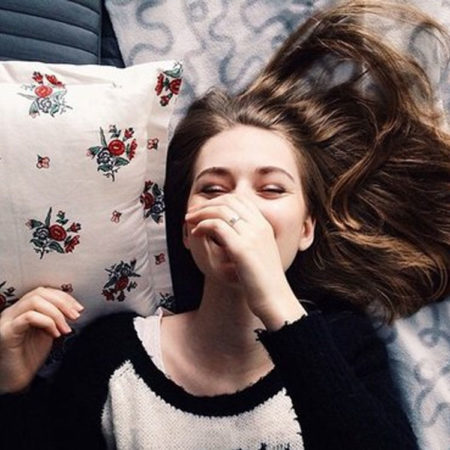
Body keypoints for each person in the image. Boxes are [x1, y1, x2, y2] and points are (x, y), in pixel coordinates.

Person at [0, 1, 448, 449]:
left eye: (271, 189)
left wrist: (276, 303)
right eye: (213, 189)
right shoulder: (113, 354)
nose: (239, 208)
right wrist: (11, 390)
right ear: (184, 230)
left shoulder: (342, 344)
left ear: (306, 229)